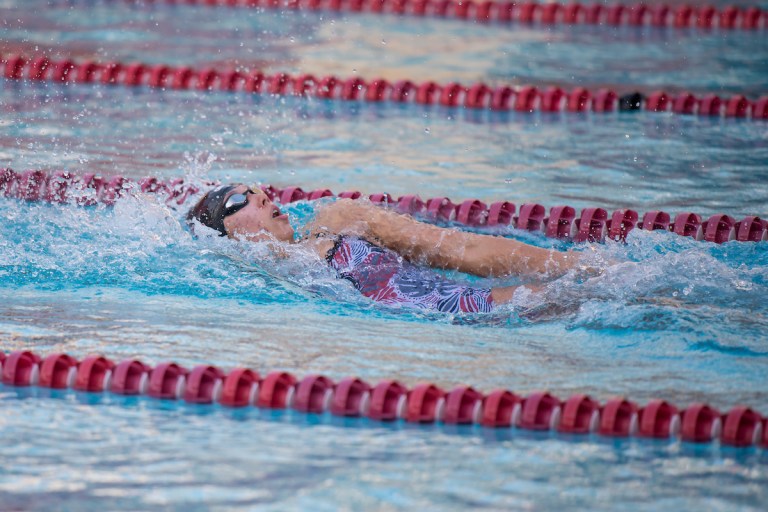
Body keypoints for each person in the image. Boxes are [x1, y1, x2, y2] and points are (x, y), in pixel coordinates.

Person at [187, 184, 585, 314]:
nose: (262, 198)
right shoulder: (244, 278)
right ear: (222, 233)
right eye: (240, 202)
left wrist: (575, 265)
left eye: (259, 190)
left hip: (502, 306)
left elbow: (463, 250)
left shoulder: (343, 221)